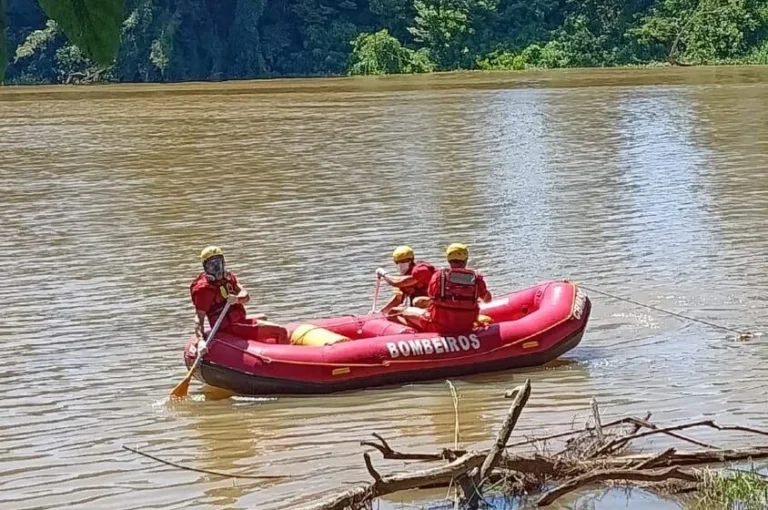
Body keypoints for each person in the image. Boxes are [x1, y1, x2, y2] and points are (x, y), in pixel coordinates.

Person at [190, 246, 288, 346]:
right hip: (230, 327)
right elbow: (199, 318)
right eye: (212, 265)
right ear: (205, 267)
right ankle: (284, 353)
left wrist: (237, 299)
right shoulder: (203, 289)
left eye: (218, 263)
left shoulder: (228, 278)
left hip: (238, 320)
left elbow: (246, 296)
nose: (217, 269)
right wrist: (200, 340)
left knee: (263, 317)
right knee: (281, 331)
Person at [398, 243, 492, 335]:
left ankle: (416, 334)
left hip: (440, 326)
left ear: (448, 260)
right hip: (467, 326)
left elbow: (431, 295)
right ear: (466, 259)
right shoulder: (477, 279)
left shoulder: (439, 276)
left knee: (401, 311)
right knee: (418, 301)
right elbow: (487, 299)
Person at [375, 246, 436, 313]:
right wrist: (381, 311)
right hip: (422, 306)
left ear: (412, 260)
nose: (401, 264)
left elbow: (396, 282)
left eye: (405, 261)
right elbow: (398, 298)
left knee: (417, 301)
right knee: (394, 311)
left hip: (436, 301)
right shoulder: (404, 277)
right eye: (398, 262)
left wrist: (384, 274)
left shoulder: (421, 270)